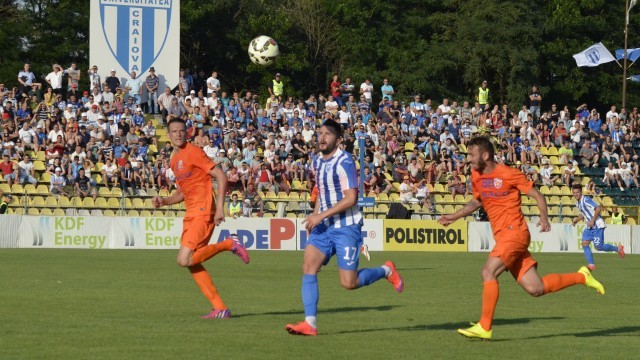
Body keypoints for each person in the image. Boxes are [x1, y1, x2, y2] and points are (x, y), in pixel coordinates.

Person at [438, 136, 606, 340]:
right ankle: (581, 276)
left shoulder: (509, 174)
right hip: (503, 237)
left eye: (472, 155)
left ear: (485, 155)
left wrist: (544, 218)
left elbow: (538, 196)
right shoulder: (476, 175)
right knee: (536, 288)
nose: (469, 159)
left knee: (488, 272)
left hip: (514, 233)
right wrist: (454, 217)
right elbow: (476, 201)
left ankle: (485, 326)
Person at [285, 120, 403, 336]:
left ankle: (386, 270)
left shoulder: (344, 161)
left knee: (349, 283)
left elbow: (350, 198)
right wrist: (315, 216)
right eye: (320, 133)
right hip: (324, 226)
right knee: (309, 267)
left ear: (338, 140)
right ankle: (310, 323)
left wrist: (321, 215)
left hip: (346, 227)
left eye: (327, 134)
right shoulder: (316, 161)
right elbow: (322, 191)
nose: (322, 138)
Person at [152, 118, 250, 319]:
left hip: (203, 211)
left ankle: (229, 244)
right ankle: (220, 308)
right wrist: (163, 201)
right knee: (192, 263)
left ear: (187, 133)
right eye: (174, 131)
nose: (178, 134)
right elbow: (181, 193)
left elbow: (221, 175)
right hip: (192, 213)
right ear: (168, 135)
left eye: (181, 131)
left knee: (183, 259)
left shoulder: (194, 152)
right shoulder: (174, 161)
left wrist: (220, 208)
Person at [571, 185, 624, 271]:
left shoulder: (586, 199)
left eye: (577, 192)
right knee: (584, 244)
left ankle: (618, 249)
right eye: (574, 192)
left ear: (581, 192)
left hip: (597, 225)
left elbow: (598, 208)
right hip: (590, 226)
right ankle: (591, 265)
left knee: (598, 247)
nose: (575, 194)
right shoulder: (578, 203)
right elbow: (583, 214)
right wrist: (576, 220)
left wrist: (592, 220)